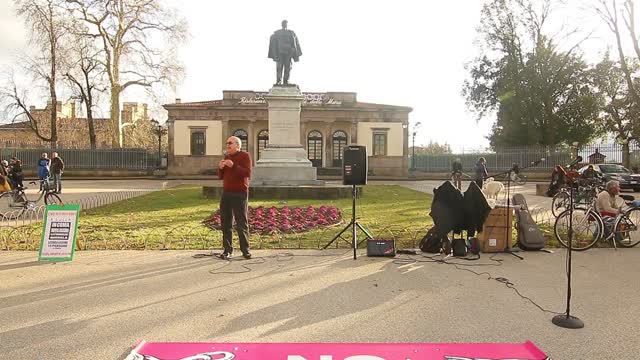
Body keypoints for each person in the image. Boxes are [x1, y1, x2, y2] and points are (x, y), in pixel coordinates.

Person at [217, 136, 253, 260]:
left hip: (240, 193)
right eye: (227, 143)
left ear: (237, 145)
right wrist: (220, 168)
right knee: (225, 222)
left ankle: (245, 250)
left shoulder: (245, 156)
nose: (227, 145)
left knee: (241, 222)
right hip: (226, 193)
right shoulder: (227, 157)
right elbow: (221, 176)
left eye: (230, 143)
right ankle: (227, 250)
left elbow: (247, 173)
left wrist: (233, 166)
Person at [268, 20, 302, 85]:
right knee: (279, 67)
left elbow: (295, 42)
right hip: (280, 52)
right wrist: (274, 53)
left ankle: (286, 81)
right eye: (284, 23)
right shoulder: (277, 33)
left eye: (286, 24)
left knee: (288, 67)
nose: (285, 25)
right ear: (282, 24)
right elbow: (273, 41)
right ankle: (278, 81)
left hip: (289, 53)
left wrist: (294, 51)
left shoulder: (291, 33)